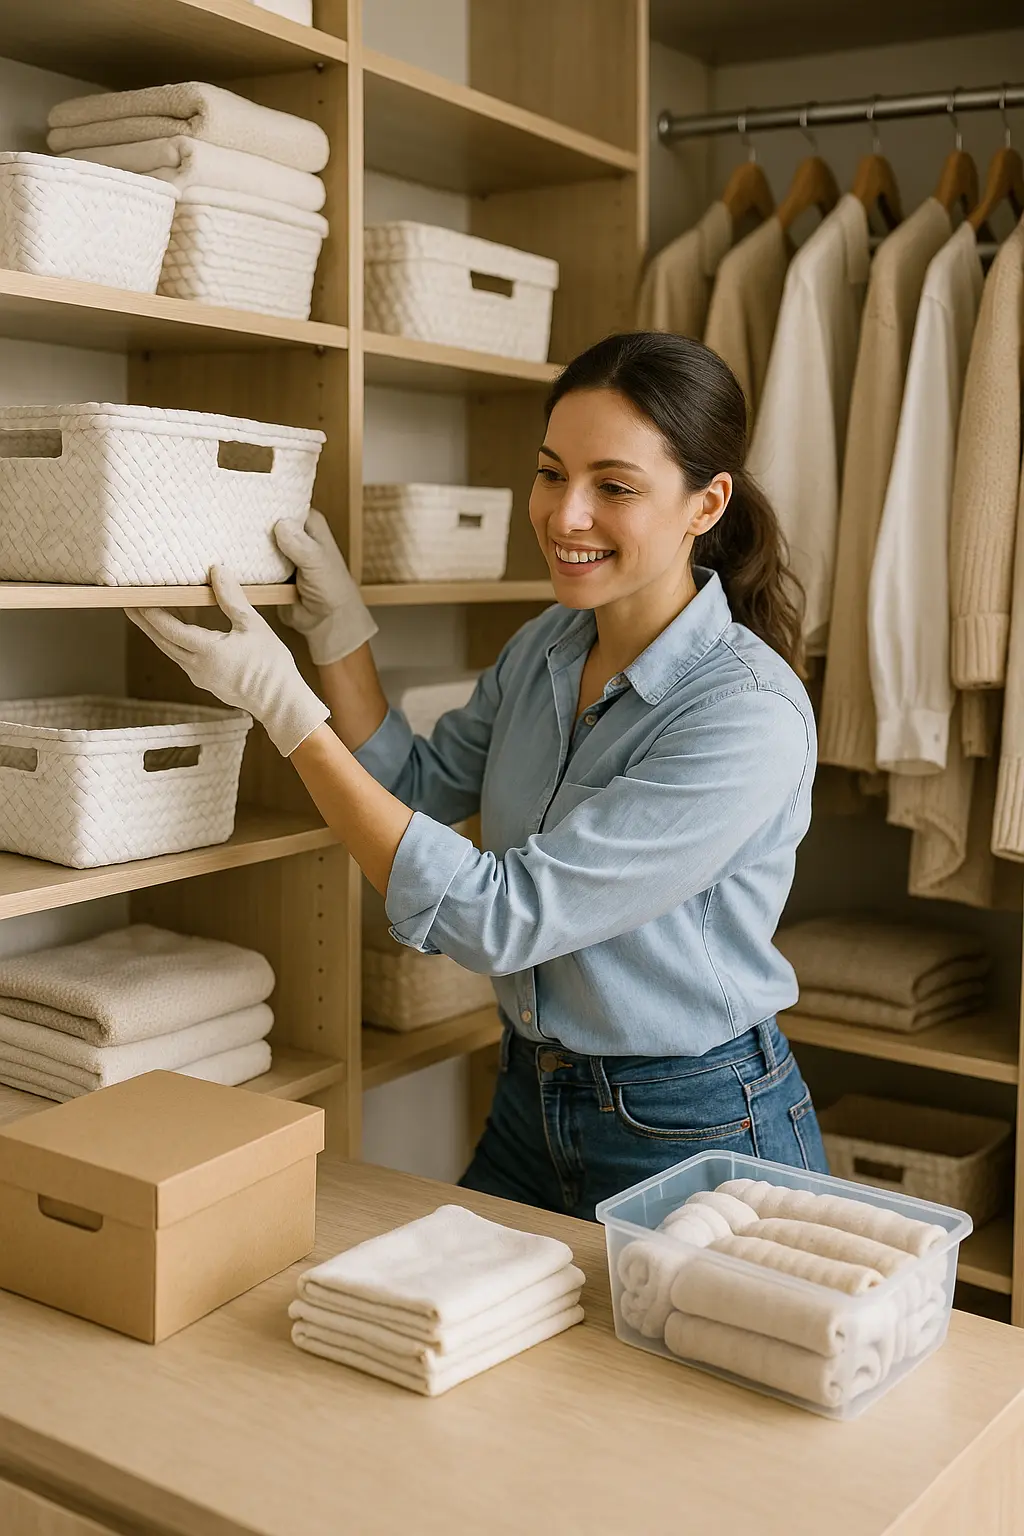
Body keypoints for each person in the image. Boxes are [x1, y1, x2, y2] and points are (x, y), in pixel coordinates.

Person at [130, 330, 827, 1220]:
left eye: (613, 486)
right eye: (550, 473)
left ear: (706, 503)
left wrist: (286, 710)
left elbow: (504, 915)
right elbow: (418, 788)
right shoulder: (545, 646)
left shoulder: (745, 715)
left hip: (697, 1124)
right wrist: (336, 635)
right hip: (532, 1100)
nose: (564, 515)